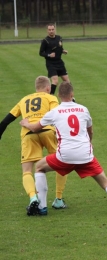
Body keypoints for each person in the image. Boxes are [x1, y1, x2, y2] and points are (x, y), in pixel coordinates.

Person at [19, 82, 107, 217]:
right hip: (85, 154)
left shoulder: (54, 112)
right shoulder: (83, 109)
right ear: (72, 94)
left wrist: (26, 123)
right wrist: (89, 144)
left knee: (39, 167)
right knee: (105, 182)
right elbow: (90, 131)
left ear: (58, 95)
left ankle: (42, 207)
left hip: (64, 156)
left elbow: (35, 128)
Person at [0, 76, 67, 216]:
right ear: (48, 88)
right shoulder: (50, 98)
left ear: (36, 87)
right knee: (61, 164)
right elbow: (57, 115)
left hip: (28, 134)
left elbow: (6, 121)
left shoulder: (24, 100)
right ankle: (59, 199)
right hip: (48, 131)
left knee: (27, 170)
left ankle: (33, 197)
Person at [39, 23, 71, 96]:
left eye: (52, 29)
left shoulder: (59, 38)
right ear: (47, 31)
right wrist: (49, 55)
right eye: (49, 30)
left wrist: (62, 51)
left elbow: (59, 47)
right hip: (51, 63)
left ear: (55, 30)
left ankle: (71, 97)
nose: (51, 31)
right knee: (55, 81)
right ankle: (51, 96)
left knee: (67, 81)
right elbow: (41, 53)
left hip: (59, 62)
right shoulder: (45, 41)